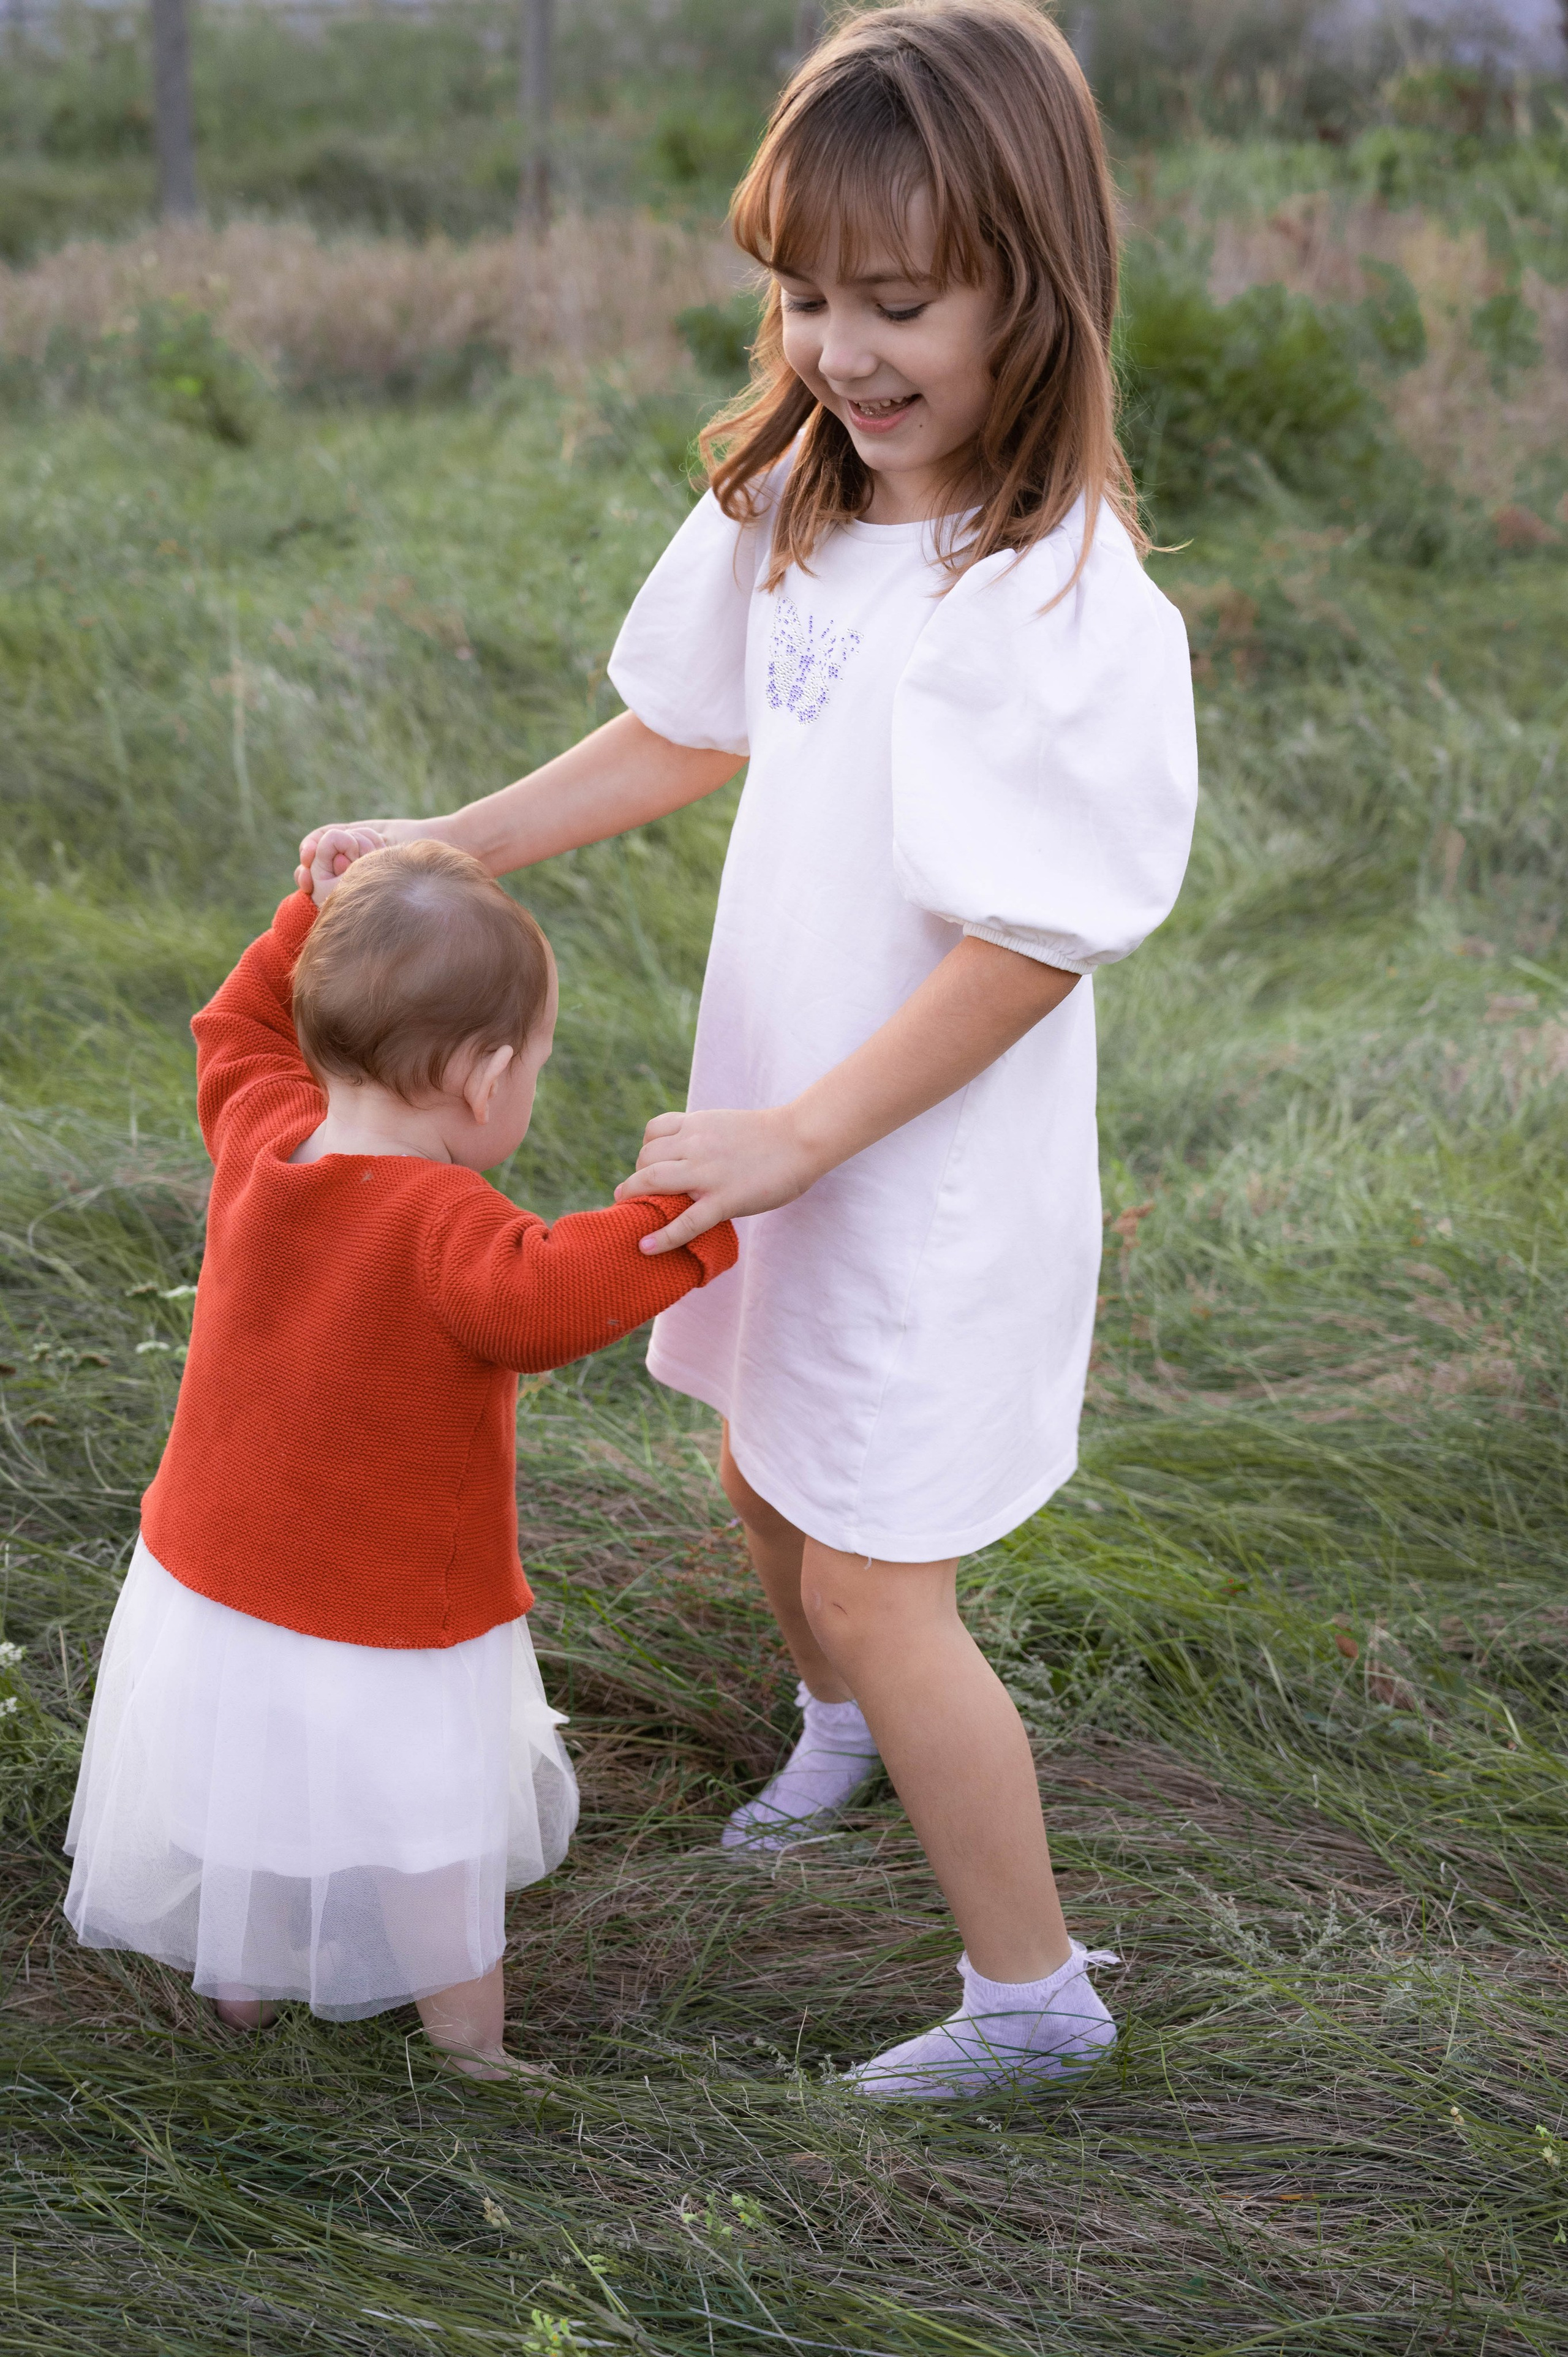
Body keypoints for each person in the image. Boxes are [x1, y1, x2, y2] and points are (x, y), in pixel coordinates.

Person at [298, 0, 1197, 2098]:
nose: (842, 349)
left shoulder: (1059, 600)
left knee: (890, 1572)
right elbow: (694, 723)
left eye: (900, 302)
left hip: (912, 1155)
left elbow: (1028, 944)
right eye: (803, 298)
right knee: (757, 1461)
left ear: (1032, 288)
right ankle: (848, 1725)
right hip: (775, 1116)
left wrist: (811, 1131)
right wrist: (460, 834)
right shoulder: (806, 498)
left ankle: (1032, 1994)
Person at [64, 838, 736, 2079]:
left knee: (246, 1792)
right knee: (433, 1830)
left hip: (214, 1574)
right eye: (535, 1063)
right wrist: (686, 1210)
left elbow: (236, 1023)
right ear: (484, 1077)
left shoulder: (262, 1132)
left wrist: (305, 914)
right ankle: (469, 2048)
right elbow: (560, 1295)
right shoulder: (450, 1231)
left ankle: (243, 1993)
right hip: (382, 1611)